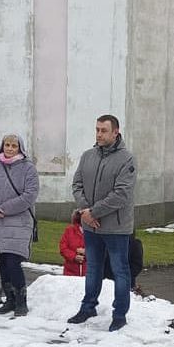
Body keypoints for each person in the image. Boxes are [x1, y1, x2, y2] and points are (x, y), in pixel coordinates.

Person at [67, 115, 136, 332]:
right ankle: (88, 307)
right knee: (93, 268)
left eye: (104, 130)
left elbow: (121, 194)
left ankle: (119, 315)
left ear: (116, 132)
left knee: (120, 271)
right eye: (97, 129)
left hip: (116, 227)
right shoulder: (88, 156)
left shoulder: (127, 159)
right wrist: (85, 211)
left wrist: (92, 212)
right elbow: (77, 185)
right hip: (91, 226)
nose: (99, 134)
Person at [0, 134, 39, 315]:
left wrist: (5, 208)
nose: (9, 148)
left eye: (14, 146)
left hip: (19, 222)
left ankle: (21, 301)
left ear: (20, 148)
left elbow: (29, 195)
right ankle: (10, 299)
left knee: (13, 261)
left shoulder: (29, 169)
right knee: (2, 262)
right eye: (7, 145)